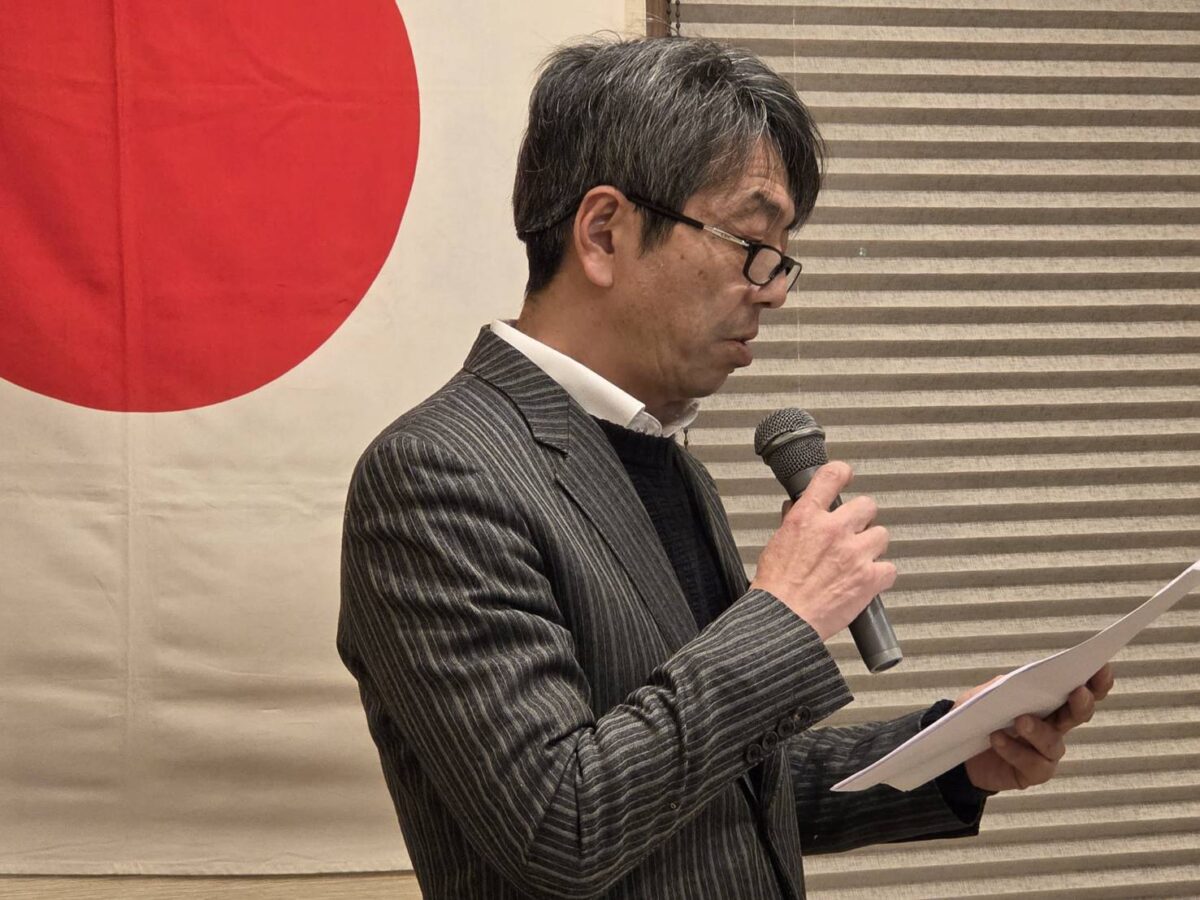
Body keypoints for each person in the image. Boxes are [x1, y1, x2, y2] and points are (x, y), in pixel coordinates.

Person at [337, 36, 1113, 899]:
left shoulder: (667, 462)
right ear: (603, 233)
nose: (773, 289)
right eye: (750, 241)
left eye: (781, 257)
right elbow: (562, 825)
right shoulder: (436, 477)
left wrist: (956, 753)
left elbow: (728, 788)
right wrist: (784, 616)